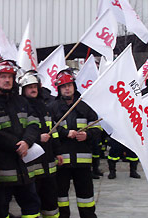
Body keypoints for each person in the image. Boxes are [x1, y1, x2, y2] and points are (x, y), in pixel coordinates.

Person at [0, 60, 41, 218]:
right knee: (1, 209)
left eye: (10, 77)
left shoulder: (21, 101)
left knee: (32, 206)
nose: (7, 80)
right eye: (3, 76)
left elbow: (34, 122)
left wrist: (27, 141)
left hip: (25, 167)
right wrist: (17, 145)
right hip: (2, 169)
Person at [49, 68, 101, 218]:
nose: (67, 88)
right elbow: (49, 130)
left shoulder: (85, 106)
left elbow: (97, 127)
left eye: (69, 85)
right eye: (63, 86)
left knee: (86, 197)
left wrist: (87, 134)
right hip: (61, 161)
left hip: (82, 161)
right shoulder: (52, 107)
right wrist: (65, 133)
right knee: (61, 197)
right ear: (59, 89)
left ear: (74, 86)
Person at [19, 71, 62, 218]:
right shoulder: (21, 108)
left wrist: (58, 152)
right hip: (31, 164)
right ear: (23, 90)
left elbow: (53, 132)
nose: (33, 89)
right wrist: (37, 138)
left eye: (35, 86)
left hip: (49, 162)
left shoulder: (45, 107)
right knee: (33, 201)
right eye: (29, 87)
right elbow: (19, 133)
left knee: (50, 201)